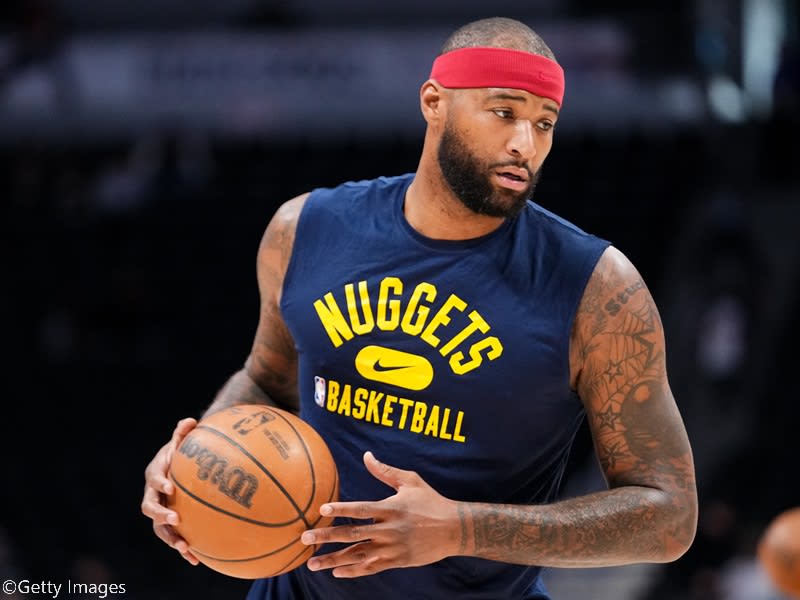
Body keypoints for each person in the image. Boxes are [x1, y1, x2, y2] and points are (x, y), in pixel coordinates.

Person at [141, 16, 698, 600]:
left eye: (544, 123)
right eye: (503, 112)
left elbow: (670, 515)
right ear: (434, 102)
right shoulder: (304, 229)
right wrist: (194, 461)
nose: (525, 145)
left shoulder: (596, 289)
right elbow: (264, 380)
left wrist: (462, 528)